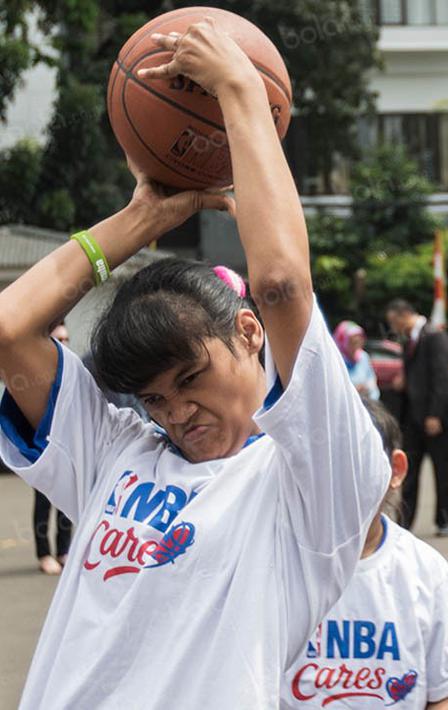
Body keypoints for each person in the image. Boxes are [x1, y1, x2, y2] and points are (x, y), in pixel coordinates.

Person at [0, 19, 388, 708]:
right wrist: (142, 218)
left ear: (247, 334)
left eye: (188, 379)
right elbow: (8, 328)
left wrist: (240, 90)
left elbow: (281, 287)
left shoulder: (314, 484)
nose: (175, 413)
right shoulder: (114, 455)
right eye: (152, 399)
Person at [283, 399, 448, 709]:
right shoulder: (276, 565)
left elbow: (445, 693)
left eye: (357, 463)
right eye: (325, 463)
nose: (340, 481)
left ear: (396, 470)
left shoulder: (427, 571)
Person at [386, 299, 448, 536]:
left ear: (403, 315)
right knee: (409, 471)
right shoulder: (410, 340)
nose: (393, 328)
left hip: (437, 416)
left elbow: (441, 378)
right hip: (414, 418)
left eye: (393, 322)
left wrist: (435, 415)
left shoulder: (434, 336)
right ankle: (404, 523)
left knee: (441, 471)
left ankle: (445, 520)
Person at [31, 323, 73, 575]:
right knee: (44, 503)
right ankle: (44, 552)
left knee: (67, 500)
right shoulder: (36, 374)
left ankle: (64, 550)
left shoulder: (72, 371)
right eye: (58, 339)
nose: (64, 343)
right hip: (42, 447)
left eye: (66, 339)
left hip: (67, 448)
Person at [334, 320, 379, 400]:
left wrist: (367, 386)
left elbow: (371, 378)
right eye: (352, 341)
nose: (357, 343)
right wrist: (355, 389)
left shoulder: (363, 356)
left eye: (359, 340)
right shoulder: (336, 360)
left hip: (368, 402)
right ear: (342, 340)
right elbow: (335, 388)